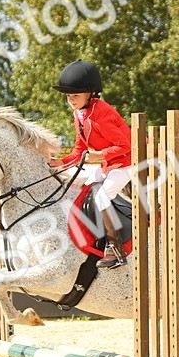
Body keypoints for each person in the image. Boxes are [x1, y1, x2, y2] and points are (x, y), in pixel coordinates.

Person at [49, 59, 132, 268]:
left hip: (130, 161)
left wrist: (98, 155)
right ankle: (98, 235)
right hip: (110, 164)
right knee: (86, 188)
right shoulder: (79, 114)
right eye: (68, 96)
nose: (71, 100)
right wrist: (59, 162)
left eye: (75, 96)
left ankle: (116, 249)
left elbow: (126, 145)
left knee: (103, 196)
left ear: (90, 94)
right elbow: (79, 150)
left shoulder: (101, 113)